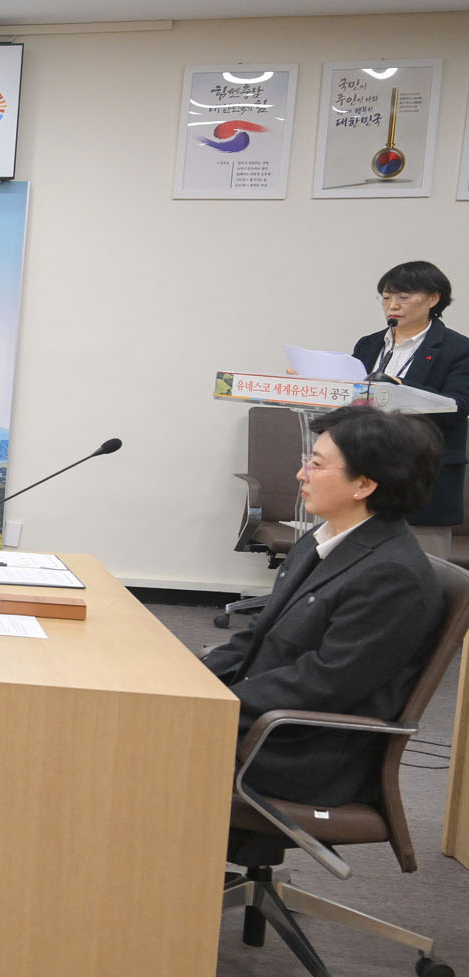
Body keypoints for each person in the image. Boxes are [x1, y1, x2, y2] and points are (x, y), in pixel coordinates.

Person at [201, 404, 444, 807]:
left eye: (315, 464)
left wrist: (213, 708)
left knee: (130, 741)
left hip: (298, 752)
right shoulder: (325, 538)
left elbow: (321, 685)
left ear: (363, 485)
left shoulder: (393, 577)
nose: (301, 474)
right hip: (262, 721)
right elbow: (261, 634)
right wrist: (194, 684)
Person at [351, 260, 469, 556]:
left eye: (403, 297)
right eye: (386, 297)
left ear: (433, 298)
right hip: (365, 468)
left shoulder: (458, 349)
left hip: (422, 475)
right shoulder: (369, 345)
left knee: (422, 569)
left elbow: (458, 406)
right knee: (361, 567)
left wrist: (400, 386)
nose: (393, 305)